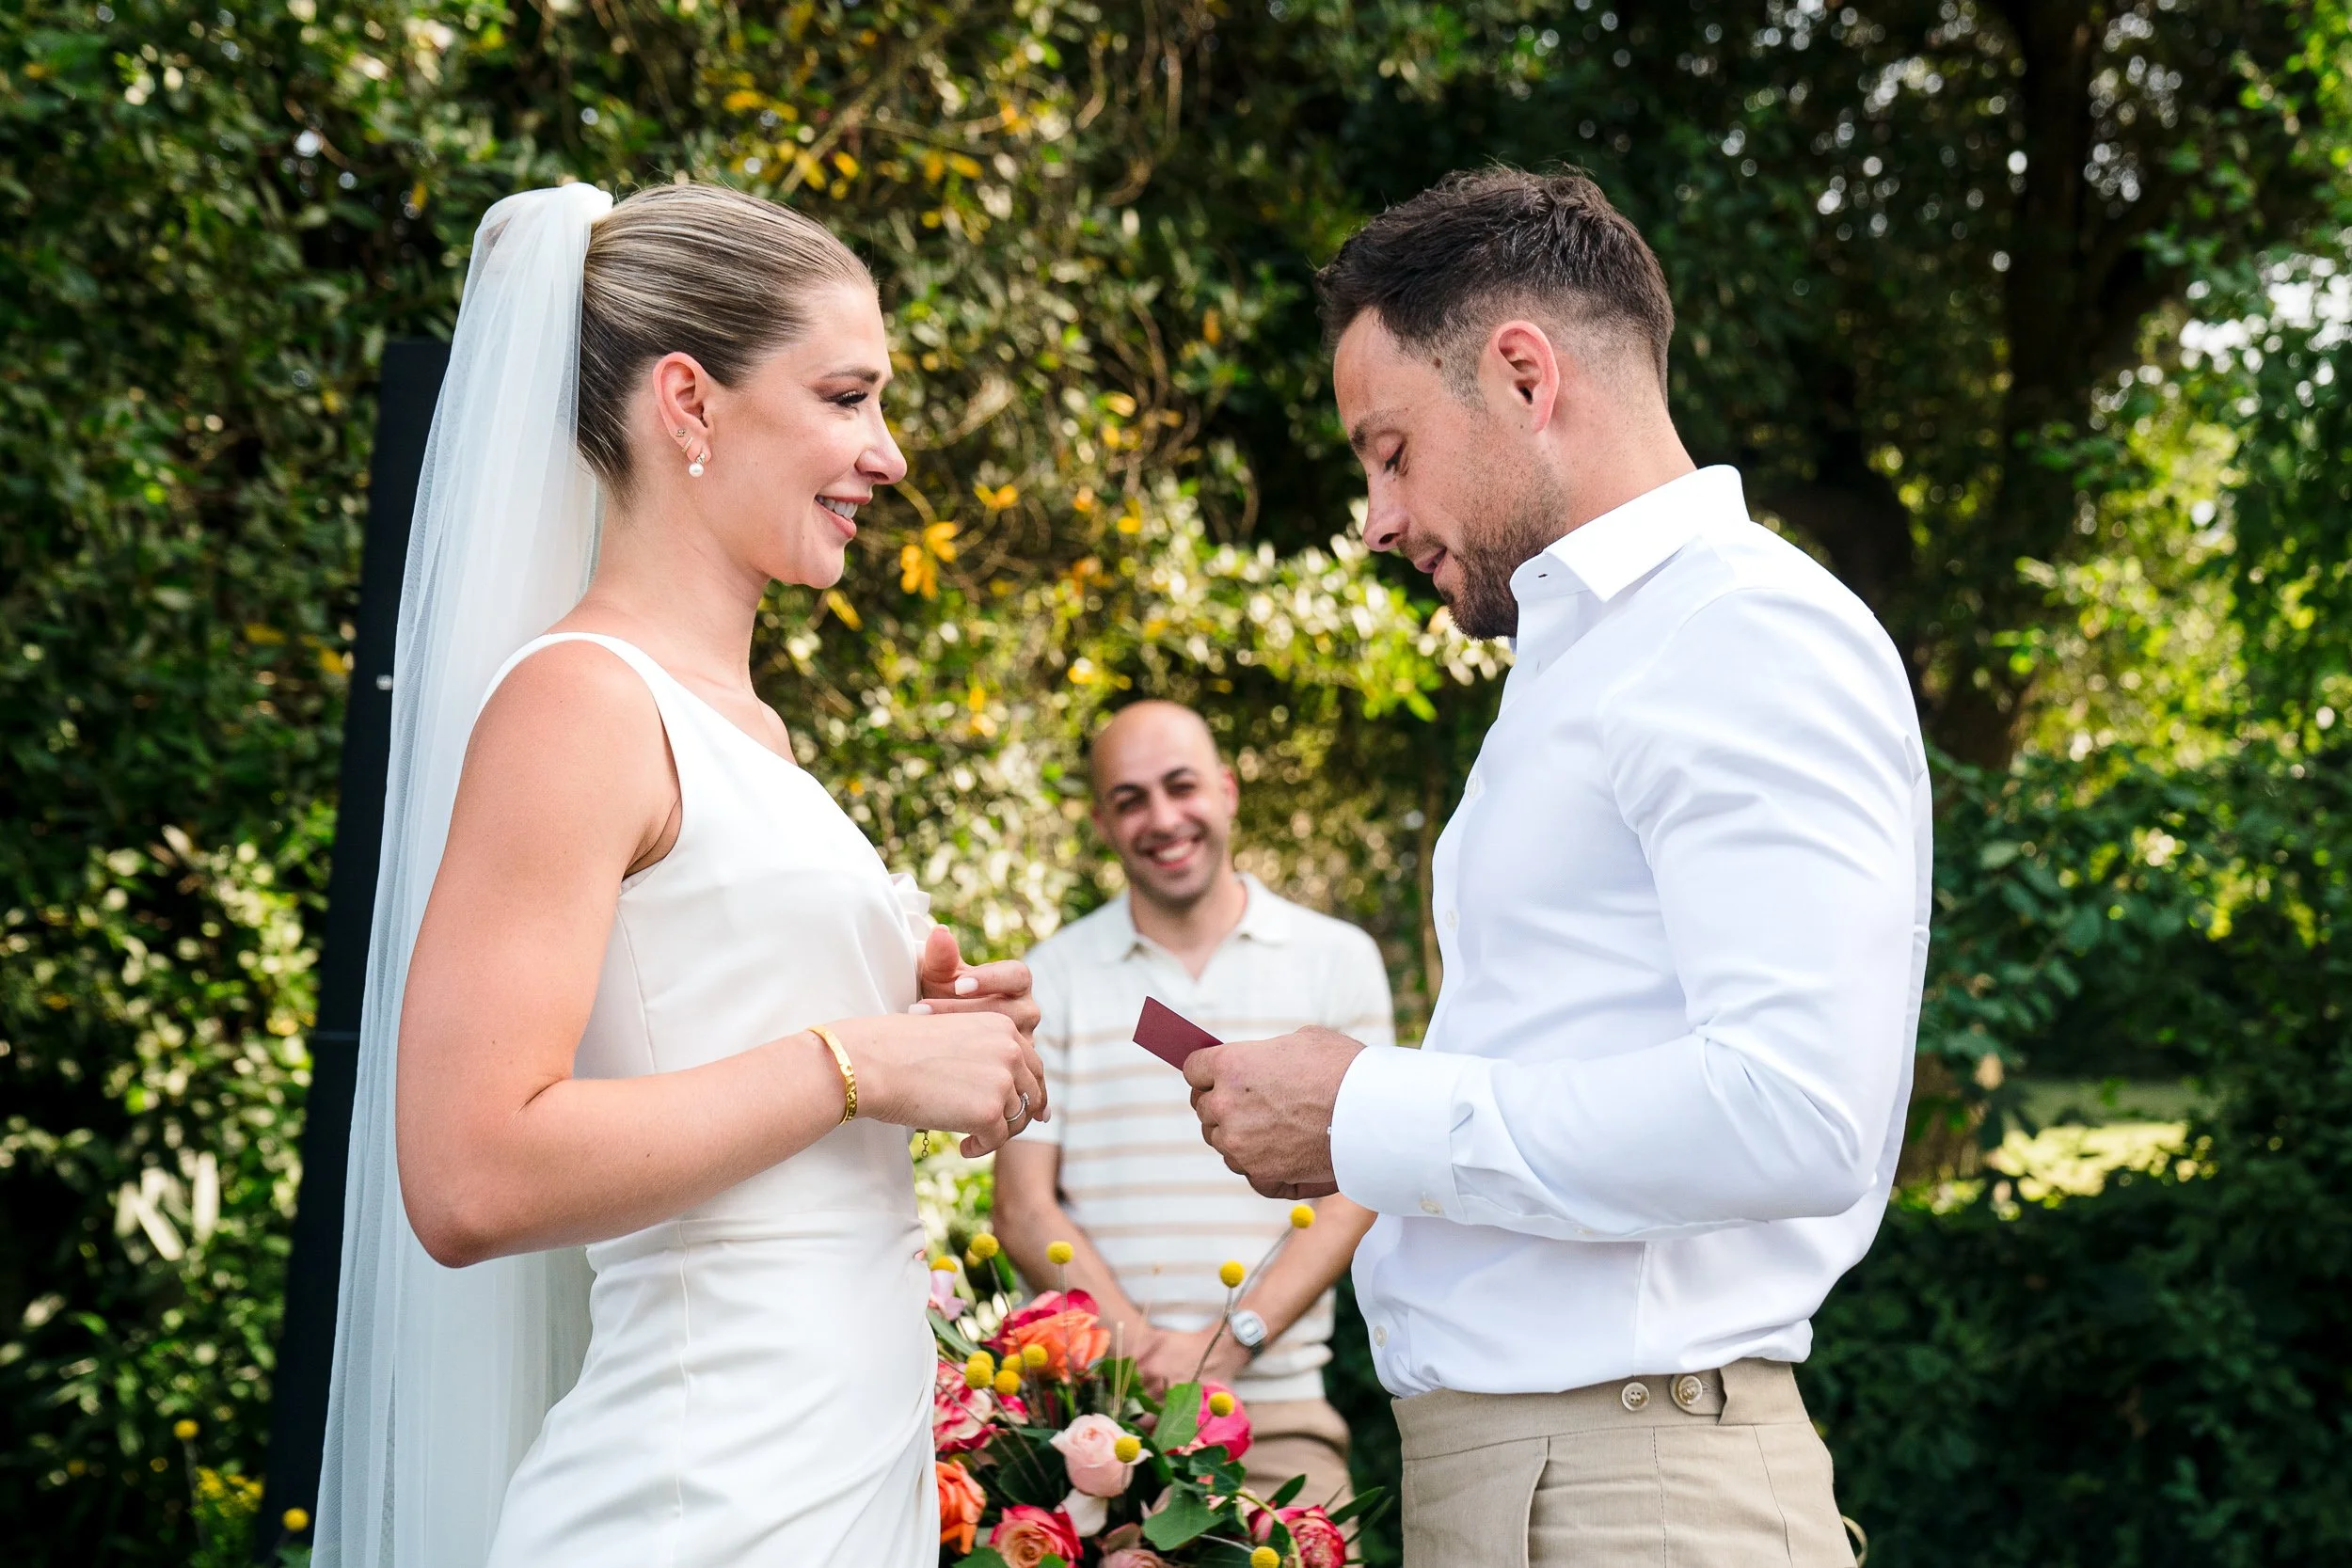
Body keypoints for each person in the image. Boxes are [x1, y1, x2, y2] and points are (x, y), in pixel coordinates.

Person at [1184, 167, 1931, 1567]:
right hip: (1550, 1476)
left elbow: (1793, 1111)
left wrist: (1364, 1109)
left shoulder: (1740, 630)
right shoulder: (1587, 660)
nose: (1375, 517)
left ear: (1525, 376)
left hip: (1632, 1489)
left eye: (1389, 450)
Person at [317, 182, 1047, 1568]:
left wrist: (931, 1033)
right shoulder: (579, 703)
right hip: (695, 1497)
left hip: (837, 1477)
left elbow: (721, 1042)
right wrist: (858, 1061)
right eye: (847, 397)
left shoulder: (750, 730)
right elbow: (469, 1174)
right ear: (689, 403)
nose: (888, 453)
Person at [993, 699, 1392, 1510]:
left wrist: (1229, 1345)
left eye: (1181, 786)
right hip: (1097, 1418)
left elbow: (1360, 1188)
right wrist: (1139, 1349)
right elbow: (1023, 1206)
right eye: (1131, 799)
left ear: (1227, 790)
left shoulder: (1336, 960)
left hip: (1279, 1413)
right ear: (1102, 822)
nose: (1164, 818)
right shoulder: (1054, 975)